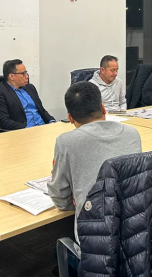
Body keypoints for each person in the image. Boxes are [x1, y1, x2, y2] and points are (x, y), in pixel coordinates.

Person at [47, 82, 142, 243]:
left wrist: (80, 200)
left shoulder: (66, 142)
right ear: (103, 108)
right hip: (137, 228)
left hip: (94, 239)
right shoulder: (133, 133)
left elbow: (61, 200)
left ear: (70, 118)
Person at [0, 59, 55, 131]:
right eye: (23, 74)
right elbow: (3, 121)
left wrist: (51, 121)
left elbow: (41, 111)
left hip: (42, 128)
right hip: (24, 131)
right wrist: (28, 128)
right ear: (11, 76)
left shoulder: (30, 87)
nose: (27, 76)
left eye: (26, 73)